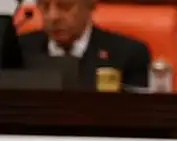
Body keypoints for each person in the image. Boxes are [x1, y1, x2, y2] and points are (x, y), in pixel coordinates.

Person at [17, 0, 151, 90]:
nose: (53, 16)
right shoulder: (19, 49)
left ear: (90, 5)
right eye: (45, 6)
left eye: (65, 6)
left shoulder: (128, 54)